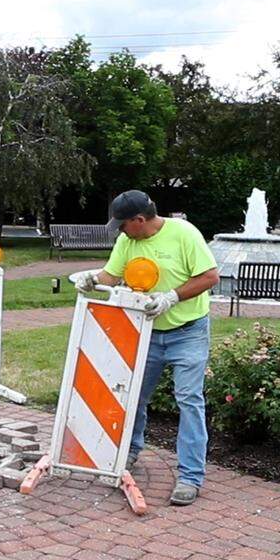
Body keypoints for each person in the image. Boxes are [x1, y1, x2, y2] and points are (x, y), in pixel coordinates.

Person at [75, 190, 219, 506]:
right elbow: (111, 275)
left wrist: (171, 297)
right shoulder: (128, 241)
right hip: (147, 330)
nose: (121, 231)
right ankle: (130, 452)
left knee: (188, 400)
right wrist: (91, 279)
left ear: (140, 220)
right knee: (134, 394)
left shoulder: (184, 234)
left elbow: (210, 276)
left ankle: (191, 477)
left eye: (123, 225)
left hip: (188, 331)